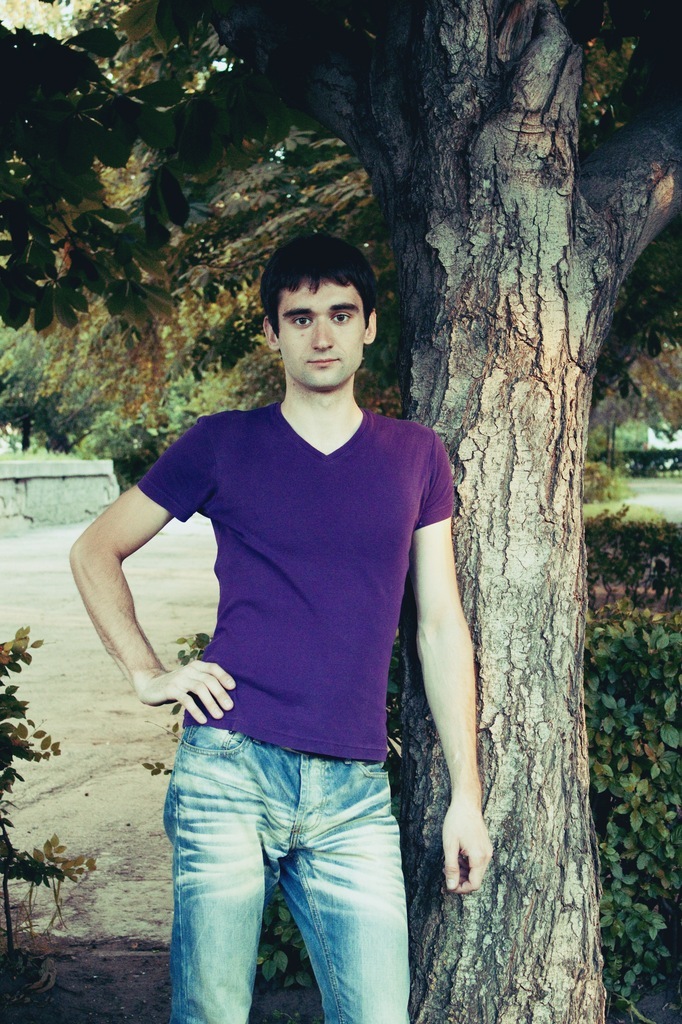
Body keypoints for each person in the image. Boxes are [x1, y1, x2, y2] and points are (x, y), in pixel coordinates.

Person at [70, 234, 492, 1024]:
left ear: (369, 326)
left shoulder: (416, 455)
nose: (321, 335)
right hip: (229, 771)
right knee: (212, 1013)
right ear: (272, 332)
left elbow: (440, 625)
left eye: (341, 314)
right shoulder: (222, 443)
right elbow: (96, 550)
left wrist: (465, 797)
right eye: (300, 318)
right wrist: (147, 673)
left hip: (354, 791)